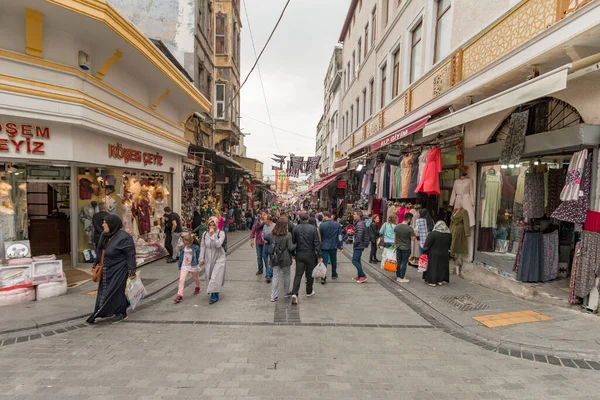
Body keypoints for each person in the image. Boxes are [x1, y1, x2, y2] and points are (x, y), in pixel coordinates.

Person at [87, 215, 136, 324]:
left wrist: (132, 271)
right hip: (106, 270)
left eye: (105, 223)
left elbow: (130, 255)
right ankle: (118, 307)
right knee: (106, 292)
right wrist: (96, 263)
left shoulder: (124, 237)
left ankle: (121, 313)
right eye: (103, 222)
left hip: (119, 269)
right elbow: (100, 251)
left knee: (115, 291)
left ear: (112, 224)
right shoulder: (105, 235)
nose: (103, 225)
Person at [291, 212, 323, 304]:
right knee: (309, 273)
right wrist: (320, 255)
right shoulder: (313, 228)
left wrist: (293, 253)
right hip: (310, 254)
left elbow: (293, 242)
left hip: (300, 254)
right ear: (308, 218)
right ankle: (309, 291)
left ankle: (294, 293)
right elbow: (317, 243)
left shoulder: (296, 228)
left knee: (298, 274)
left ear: (300, 218)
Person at [267, 218, 296, 302]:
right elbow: (290, 247)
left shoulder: (272, 234)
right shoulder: (288, 235)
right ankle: (286, 292)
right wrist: (296, 244)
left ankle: (273, 296)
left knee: (275, 276)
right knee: (286, 275)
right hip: (285, 258)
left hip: (275, 258)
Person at [200, 217, 226, 304]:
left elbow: (218, 244)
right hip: (208, 257)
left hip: (219, 257)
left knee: (216, 276)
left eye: (213, 225)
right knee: (209, 275)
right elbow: (203, 246)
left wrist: (213, 235)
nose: (211, 227)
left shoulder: (221, 233)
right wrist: (201, 258)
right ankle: (214, 292)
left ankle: (214, 296)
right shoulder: (204, 234)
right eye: (210, 225)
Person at [422, 221, 452, 287]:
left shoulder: (432, 234)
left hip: (434, 253)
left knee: (433, 267)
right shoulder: (449, 235)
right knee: (441, 266)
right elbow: (449, 245)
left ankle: (432, 281)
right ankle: (439, 280)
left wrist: (424, 252)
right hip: (444, 253)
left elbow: (427, 245)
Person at [174, 234, 201, 303]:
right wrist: (180, 265)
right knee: (181, 280)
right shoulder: (183, 247)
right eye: (185, 242)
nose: (187, 244)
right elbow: (181, 257)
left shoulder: (196, 248)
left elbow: (199, 255)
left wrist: (199, 261)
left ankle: (197, 287)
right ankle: (179, 295)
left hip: (193, 265)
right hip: (184, 266)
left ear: (191, 241)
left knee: (195, 278)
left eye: (188, 243)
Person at [319, 211, 342, 284]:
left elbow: (320, 237)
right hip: (333, 245)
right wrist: (340, 246)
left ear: (326, 216)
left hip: (324, 246)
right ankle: (334, 274)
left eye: (323, 216)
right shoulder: (337, 224)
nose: (322, 218)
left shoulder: (322, 225)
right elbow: (340, 236)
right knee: (333, 260)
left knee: (324, 262)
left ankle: (323, 277)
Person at [394, 213, 416, 283]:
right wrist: (414, 233)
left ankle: (398, 276)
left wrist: (395, 244)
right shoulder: (410, 228)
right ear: (409, 219)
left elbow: (395, 237)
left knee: (399, 261)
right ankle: (401, 277)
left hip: (398, 246)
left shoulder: (397, 226)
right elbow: (413, 238)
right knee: (404, 262)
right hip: (406, 247)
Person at [351, 211, 369, 283]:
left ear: (358, 215)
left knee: (354, 260)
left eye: (354, 214)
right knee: (358, 260)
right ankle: (359, 275)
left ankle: (363, 275)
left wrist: (355, 243)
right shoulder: (359, 223)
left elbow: (359, 236)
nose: (353, 215)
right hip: (360, 244)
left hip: (359, 245)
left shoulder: (360, 224)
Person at [250, 212, 267, 276]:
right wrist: (251, 240)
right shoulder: (256, 223)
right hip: (258, 241)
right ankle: (260, 270)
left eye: (265, 215)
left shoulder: (267, 222)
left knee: (265, 256)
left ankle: (268, 270)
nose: (265, 216)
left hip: (265, 242)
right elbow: (253, 231)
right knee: (259, 256)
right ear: (261, 216)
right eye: (264, 215)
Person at [262, 215, 276, 283]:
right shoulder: (265, 226)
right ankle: (270, 272)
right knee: (265, 259)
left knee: (269, 260)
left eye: (264, 219)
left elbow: (276, 236)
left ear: (269, 220)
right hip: (265, 245)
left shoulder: (274, 226)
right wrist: (263, 239)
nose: (263, 221)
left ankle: (268, 276)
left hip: (271, 245)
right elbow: (263, 234)